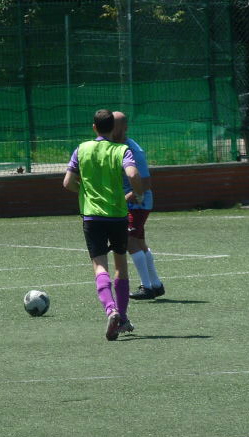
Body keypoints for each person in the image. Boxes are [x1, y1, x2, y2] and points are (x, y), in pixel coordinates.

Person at [63, 109, 144, 341]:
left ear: (94, 128)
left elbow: (67, 183)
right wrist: (138, 193)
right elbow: (133, 174)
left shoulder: (81, 149)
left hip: (92, 217)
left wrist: (85, 192)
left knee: (100, 266)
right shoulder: (121, 150)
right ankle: (123, 317)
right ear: (113, 128)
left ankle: (111, 310)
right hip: (117, 215)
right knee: (121, 266)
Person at [111, 111, 165, 300]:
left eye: (115, 125)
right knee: (140, 242)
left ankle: (147, 287)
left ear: (124, 127)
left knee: (130, 241)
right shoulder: (117, 146)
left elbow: (146, 183)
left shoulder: (133, 150)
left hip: (138, 204)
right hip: (135, 203)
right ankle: (156, 285)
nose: (111, 129)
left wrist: (126, 198)